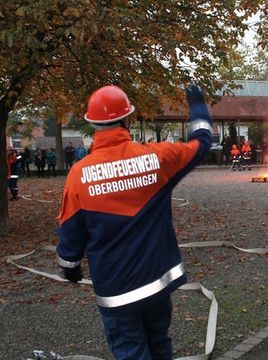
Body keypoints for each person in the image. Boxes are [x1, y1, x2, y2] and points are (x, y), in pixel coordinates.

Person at [56, 84, 212, 360]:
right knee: (159, 344)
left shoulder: (79, 176)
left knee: (131, 352)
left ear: (92, 124)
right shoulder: (157, 158)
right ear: (128, 119)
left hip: (117, 293)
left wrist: (69, 266)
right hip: (158, 284)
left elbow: (71, 235)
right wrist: (198, 107)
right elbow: (201, 143)